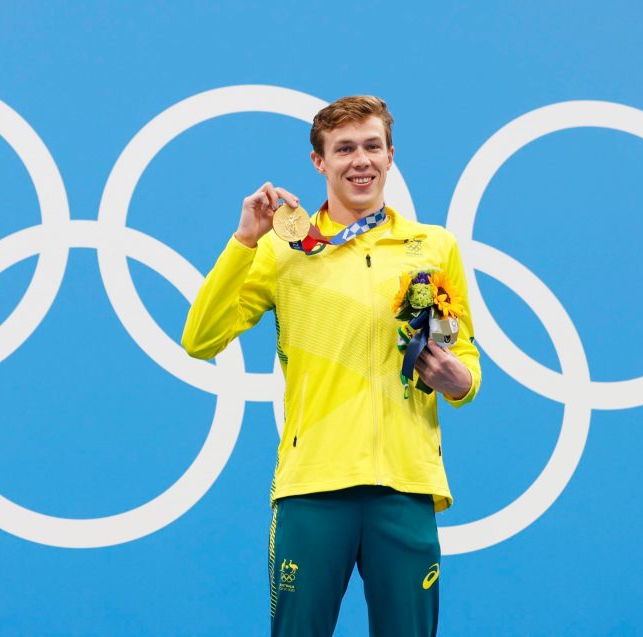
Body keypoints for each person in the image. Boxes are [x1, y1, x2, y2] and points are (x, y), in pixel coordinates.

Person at [181, 96, 481, 637]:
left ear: (391, 157)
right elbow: (200, 339)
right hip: (314, 488)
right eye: (344, 149)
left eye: (372, 146)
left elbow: (463, 355)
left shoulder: (433, 247)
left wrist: (462, 383)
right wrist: (245, 240)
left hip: (406, 485)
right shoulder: (281, 250)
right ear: (319, 162)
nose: (360, 160)